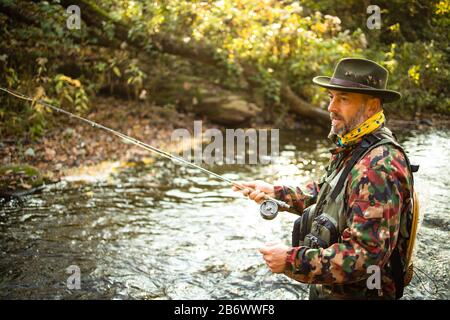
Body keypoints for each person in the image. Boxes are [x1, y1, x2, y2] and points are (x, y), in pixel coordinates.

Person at [233, 58, 417, 300]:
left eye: (343, 98)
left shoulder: (377, 167)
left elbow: (364, 256)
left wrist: (290, 260)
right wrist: (275, 192)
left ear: (372, 106)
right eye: (331, 97)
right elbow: (327, 194)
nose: (331, 107)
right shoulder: (356, 144)